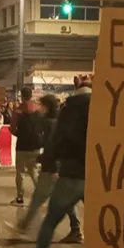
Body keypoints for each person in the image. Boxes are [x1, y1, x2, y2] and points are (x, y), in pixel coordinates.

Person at [28, 76, 91, 248]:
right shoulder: (103, 107)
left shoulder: (69, 109)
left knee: (50, 221)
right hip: (95, 176)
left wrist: (47, 158)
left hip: (70, 173)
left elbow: (57, 140)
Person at [17, 95, 80, 233]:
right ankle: (76, 229)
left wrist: (41, 159)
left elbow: (53, 147)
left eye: (42, 105)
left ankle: (24, 225)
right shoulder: (59, 122)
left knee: (38, 197)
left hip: (51, 168)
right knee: (66, 200)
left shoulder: (50, 124)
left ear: (48, 106)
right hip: (59, 166)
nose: (40, 108)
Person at [10, 87, 43, 206]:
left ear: (21, 95)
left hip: (22, 146)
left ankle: (19, 198)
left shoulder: (18, 111)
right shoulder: (38, 110)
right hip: (35, 146)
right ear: (31, 95)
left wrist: (20, 134)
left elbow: (12, 129)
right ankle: (40, 197)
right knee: (34, 171)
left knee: (20, 173)